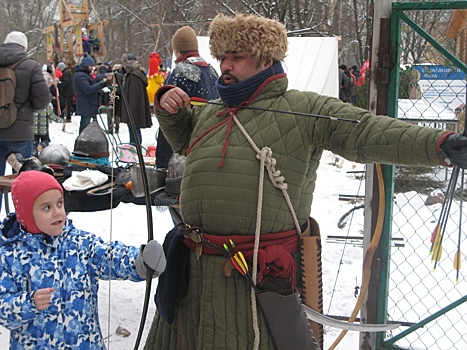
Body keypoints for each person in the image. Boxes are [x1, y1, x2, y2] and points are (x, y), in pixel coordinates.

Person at [145, 13, 467, 350]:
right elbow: (183, 138)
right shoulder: (210, 112)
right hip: (191, 278)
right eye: (222, 56)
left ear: (265, 58)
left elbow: (368, 131)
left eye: (236, 57)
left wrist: (441, 145)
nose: (225, 65)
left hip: (252, 281)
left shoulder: (302, 109)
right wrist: (171, 109)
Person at [0, 170, 166, 349]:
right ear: (26, 213)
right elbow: (3, 308)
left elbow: (109, 255)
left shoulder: (79, 243)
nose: (57, 212)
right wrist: (29, 303)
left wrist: (139, 261)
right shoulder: (9, 256)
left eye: (60, 203)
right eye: (47, 207)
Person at [155, 25, 219, 170]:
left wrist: (163, 160)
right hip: (210, 140)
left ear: (177, 50)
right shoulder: (212, 71)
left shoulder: (181, 71)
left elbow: (170, 114)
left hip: (184, 145)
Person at [0, 31, 51, 210]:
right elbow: (43, 99)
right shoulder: (30, 65)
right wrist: (27, 109)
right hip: (20, 133)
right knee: (25, 181)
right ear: (23, 47)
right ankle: (22, 223)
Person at [120, 53, 152, 145]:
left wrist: (131, 112)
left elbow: (134, 97)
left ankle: (135, 148)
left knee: (134, 130)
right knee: (133, 130)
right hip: (133, 109)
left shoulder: (134, 76)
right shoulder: (132, 74)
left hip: (133, 110)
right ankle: (134, 147)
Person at [73, 54, 107, 134]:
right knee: (85, 125)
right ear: (86, 65)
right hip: (86, 104)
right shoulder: (81, 76)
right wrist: (100, 84)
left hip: (89, 104)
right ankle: (82, 141)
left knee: (89, 124)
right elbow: (88, 89)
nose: (92, 68)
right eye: (91, 66)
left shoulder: (84, 75)